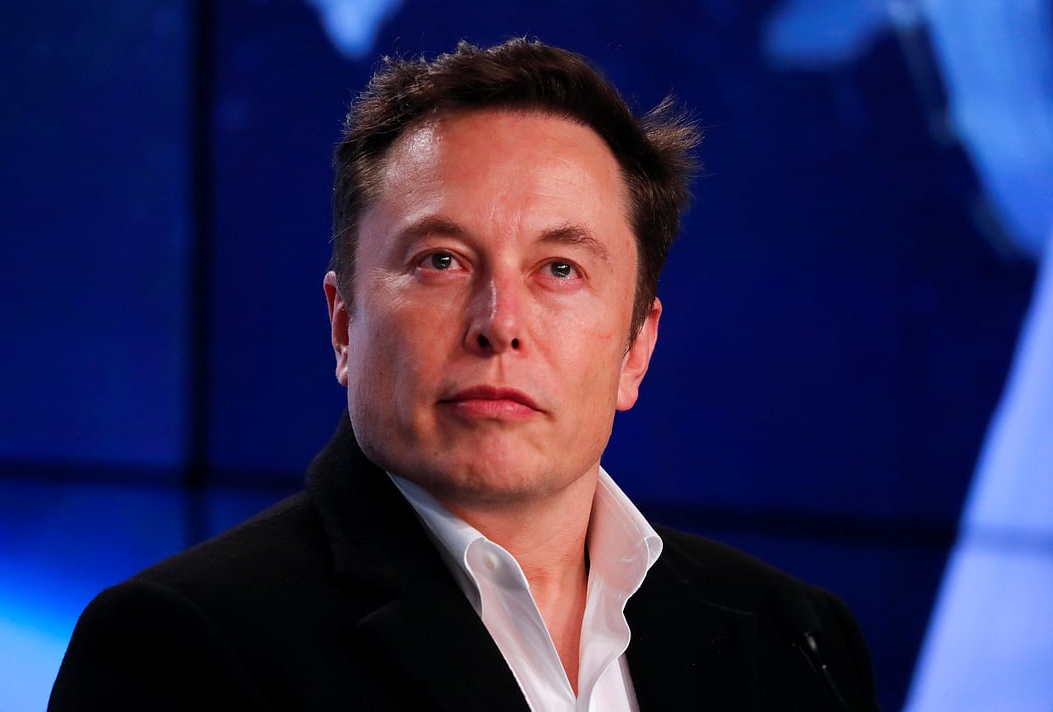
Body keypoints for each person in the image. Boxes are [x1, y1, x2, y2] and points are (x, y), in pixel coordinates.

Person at [49, 38, 880, 711]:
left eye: (559, 269)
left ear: (636, 348)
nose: (500, 325)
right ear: (344, 325)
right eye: (441, 261)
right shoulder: (180, 649)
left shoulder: (796, 642)